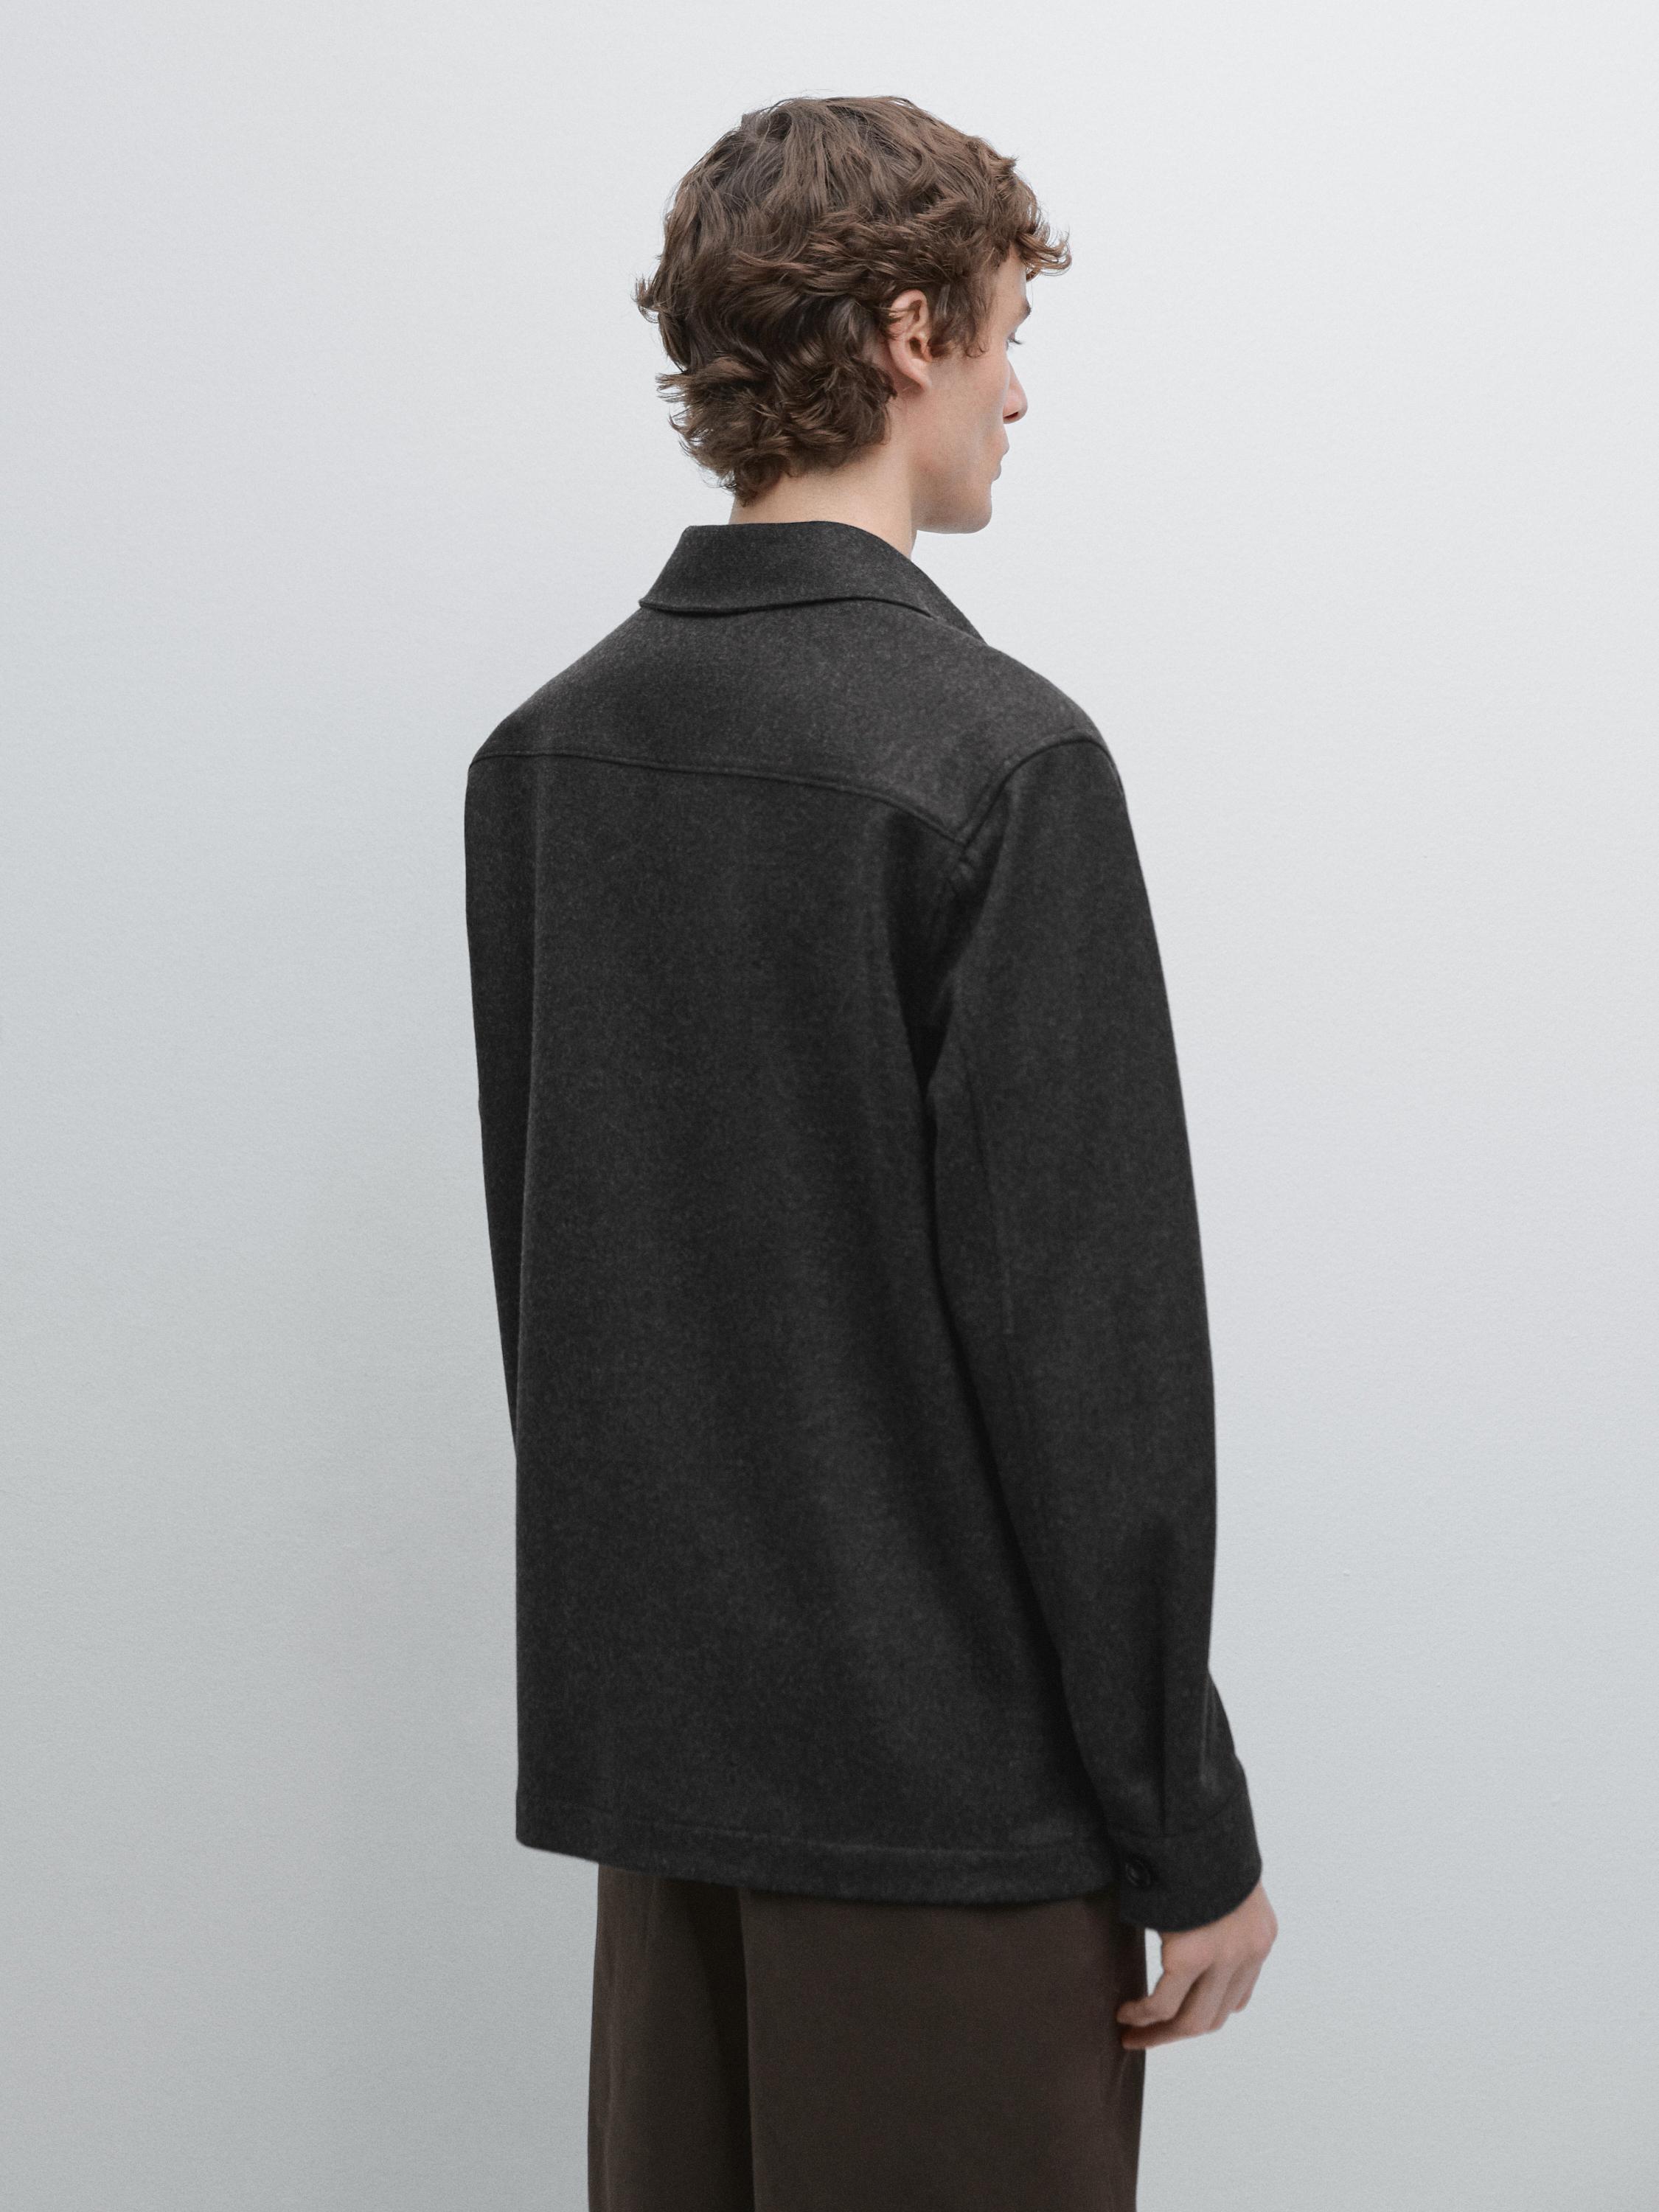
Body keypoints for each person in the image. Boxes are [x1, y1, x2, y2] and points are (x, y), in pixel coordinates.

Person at [464, 91, 1276, 2212]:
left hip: (673, 1821)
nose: (1019, 391)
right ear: (912, 331)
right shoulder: (995, 761)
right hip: (952, 1822)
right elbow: (1090, 1358)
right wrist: (1186, 1825)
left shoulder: (544, 759)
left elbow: (556, 1300)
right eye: (1006, 331)